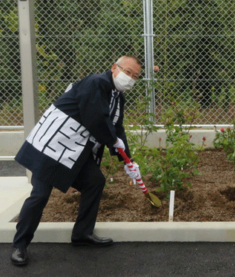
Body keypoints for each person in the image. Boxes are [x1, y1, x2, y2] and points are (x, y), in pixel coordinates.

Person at [11, 55, 143, 266]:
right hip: (52, 146)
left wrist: (128, 159)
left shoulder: (118, 97)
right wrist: (113, 141)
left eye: (135, 76)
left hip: (74, 151)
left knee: (95, 181)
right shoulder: (96, 83)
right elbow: (97, 119)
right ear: (113, 68)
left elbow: (116, 127)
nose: (130, 78)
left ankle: (82, 234)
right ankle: (20, 245)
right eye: (127, 72)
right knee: (40, 195)